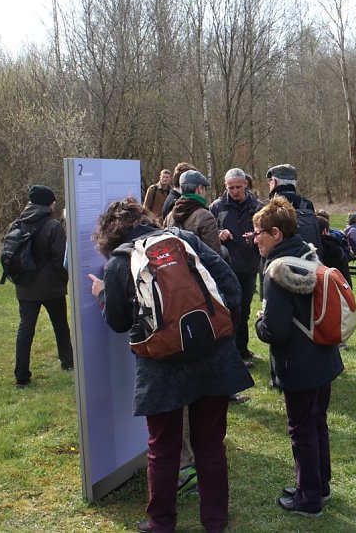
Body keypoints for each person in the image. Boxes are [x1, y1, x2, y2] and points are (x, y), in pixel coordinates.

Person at [88, 198, 253, 533]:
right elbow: (231, 289)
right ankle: (215, 522)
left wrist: (102, 294)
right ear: (145, 219)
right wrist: (216, 336)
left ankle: (160, 523)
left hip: (161, 368)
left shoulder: (120, 262)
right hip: (213, 359)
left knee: (162, 449)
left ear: (108, 235)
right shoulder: (184, 241)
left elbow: (119, 322)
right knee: (210, 445)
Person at [253, 197, 344, 519]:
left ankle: (308, 499)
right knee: (317, 423)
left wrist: (259, 322)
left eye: (258, 233)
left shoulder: (277, 270)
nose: (254, 239)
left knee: (301, 430)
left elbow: (275, 331)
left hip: (299, 364)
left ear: (275, 233)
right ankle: (319, 484)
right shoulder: (308, 252)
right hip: (323, 355)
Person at [11, 184, 73, 387]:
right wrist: (62, 281)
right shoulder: (53, 226)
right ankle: (68, 363)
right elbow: (61, 260)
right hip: (51, 288)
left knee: (25, 330)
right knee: (61, 326)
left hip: (25, 287)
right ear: (49, 204)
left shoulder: (16, 224)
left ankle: (21, 376)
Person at [210, 168, 263, 367]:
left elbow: (266, 229)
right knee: (230, 310)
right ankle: (232, 353)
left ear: (246, 185)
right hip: (226, 267)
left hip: (249, 265)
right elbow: (206, 231)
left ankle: (242, 348)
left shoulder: (257, 206)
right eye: (231, 187)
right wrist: (218, 232)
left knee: (245, 309)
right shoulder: (217, 207)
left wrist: (256, 236)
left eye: (238, 187)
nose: (235, 191)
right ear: (225, 186)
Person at [165, 170, 223, 255]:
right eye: (204, 189)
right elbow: (215, 255)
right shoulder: (205, 217)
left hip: (177, 266)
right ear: (199, 189)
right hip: (200, 267)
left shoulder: (169, 216)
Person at [317, 216, 352, 287]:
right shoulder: (335, 248)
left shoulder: (306, 246)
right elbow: (345, 274)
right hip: (335, 288)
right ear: (325, 231)